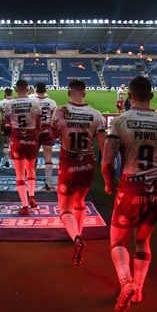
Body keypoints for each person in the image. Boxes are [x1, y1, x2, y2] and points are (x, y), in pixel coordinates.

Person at [102, 76, 157, 312]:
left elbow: (107, 163)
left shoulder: (120, 122)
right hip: (156, 189)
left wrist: (109, 184)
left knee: (118, 241)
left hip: (131, 188)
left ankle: (126, 283)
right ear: (151, 95)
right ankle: (138, 290)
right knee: (142, 240)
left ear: (128, 95)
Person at [51, 80, 105, 265]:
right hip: (88, 163)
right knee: (80, 202)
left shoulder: (60, 110)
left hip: (68, 162)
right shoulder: (96, 114)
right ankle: (80, 233)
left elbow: (52, 135)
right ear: (85, 93)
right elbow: (103, 146)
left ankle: (76, 238)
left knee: (65, 209)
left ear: (68, 92)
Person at [3, 80, 42, 216]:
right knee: (30, 168)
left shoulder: (9, 105)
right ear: (27, 89)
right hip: (31, 138)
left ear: (16, 89)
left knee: (19, 174)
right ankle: (32, 196)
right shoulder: (35, 103)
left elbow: (6, 125)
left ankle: (25, 206)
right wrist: (34, 135)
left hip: (17, 139)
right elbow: (38, 124)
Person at [34, 82, 58, 190]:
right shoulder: (52, 102)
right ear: (46, 89)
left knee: (32, 157)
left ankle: (31, 180)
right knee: (48, 157)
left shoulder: (32, 101)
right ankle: (48, 183)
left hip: (34, 131)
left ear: (36, 89)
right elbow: (55, 119)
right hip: (47, 130)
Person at [0, 88, 13, 167]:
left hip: (5, 123)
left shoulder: (0, 103)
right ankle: (17, 160)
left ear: (5, 93)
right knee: (15, 142)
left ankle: (6, 161)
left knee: (5, 143)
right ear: (11, 94)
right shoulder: (15, 102)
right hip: (14, 124)